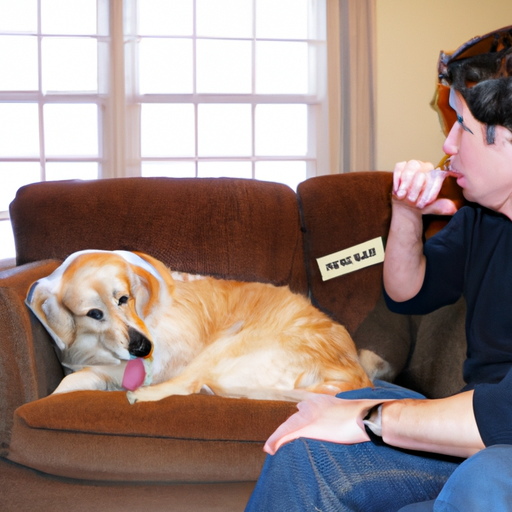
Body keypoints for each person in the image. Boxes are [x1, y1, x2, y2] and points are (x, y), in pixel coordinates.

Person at [245, 26, 512, 512]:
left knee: (478, 478)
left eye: (464, 127)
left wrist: (368, 418)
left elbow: (506, 414)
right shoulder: (484, 218)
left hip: (495, 440)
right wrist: (406, 211)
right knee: (307, 441)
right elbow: (406, 294)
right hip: (475, 430)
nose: (448, 143)